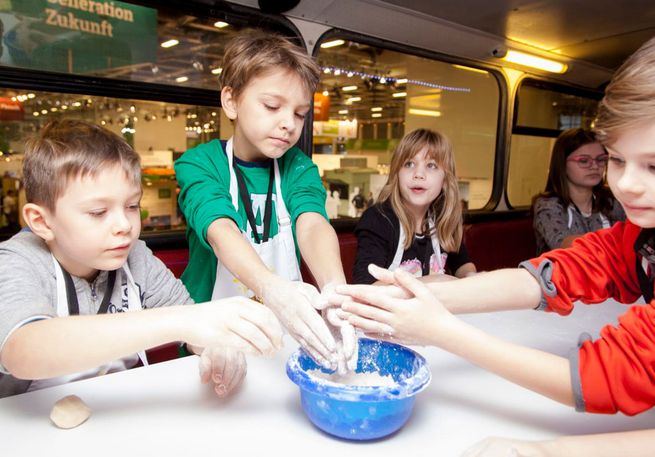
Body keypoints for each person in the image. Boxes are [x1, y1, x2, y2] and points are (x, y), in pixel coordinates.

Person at [334, 35, 655, 456]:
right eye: (616, 159)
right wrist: (430, 294)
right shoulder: (638, 233)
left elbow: (612, 376)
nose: (626, 183)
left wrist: (442, 331)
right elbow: (568, 271)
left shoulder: (445, 220)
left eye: (653, 165)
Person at [0, 120, 284, 399]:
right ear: (41, 221)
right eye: (98, 212)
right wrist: (183, 321)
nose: (124, 225)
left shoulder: (135, 255)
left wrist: (215, 349)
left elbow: (190, 321)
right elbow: (23, 350)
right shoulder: (18, 261)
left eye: (132, 206)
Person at [174, 30, 355, 374]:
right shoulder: (200, 164)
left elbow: (313, 224)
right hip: (212, 343)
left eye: (300, 114)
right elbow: (219, 228)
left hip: (281, 341)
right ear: (231, 101)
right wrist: (272, 288)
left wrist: (336, 292)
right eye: (272, 106)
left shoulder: (298, 168)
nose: (288, 123)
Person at [352, 128, 476, 285]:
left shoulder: (442, 219)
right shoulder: (378, 219)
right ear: (396, 174)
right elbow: (367, 287)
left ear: (445, 181)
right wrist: (436, 281)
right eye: (409, 164)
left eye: (431, 165)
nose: (418, 174)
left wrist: (471, 277)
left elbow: (463, 264)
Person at [533, 127, 625, 255]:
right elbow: (562, 244)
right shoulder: (548, 205)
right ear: (562, 164)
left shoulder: (611, 200)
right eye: (583, 161)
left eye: (600, 159)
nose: (594, 166)